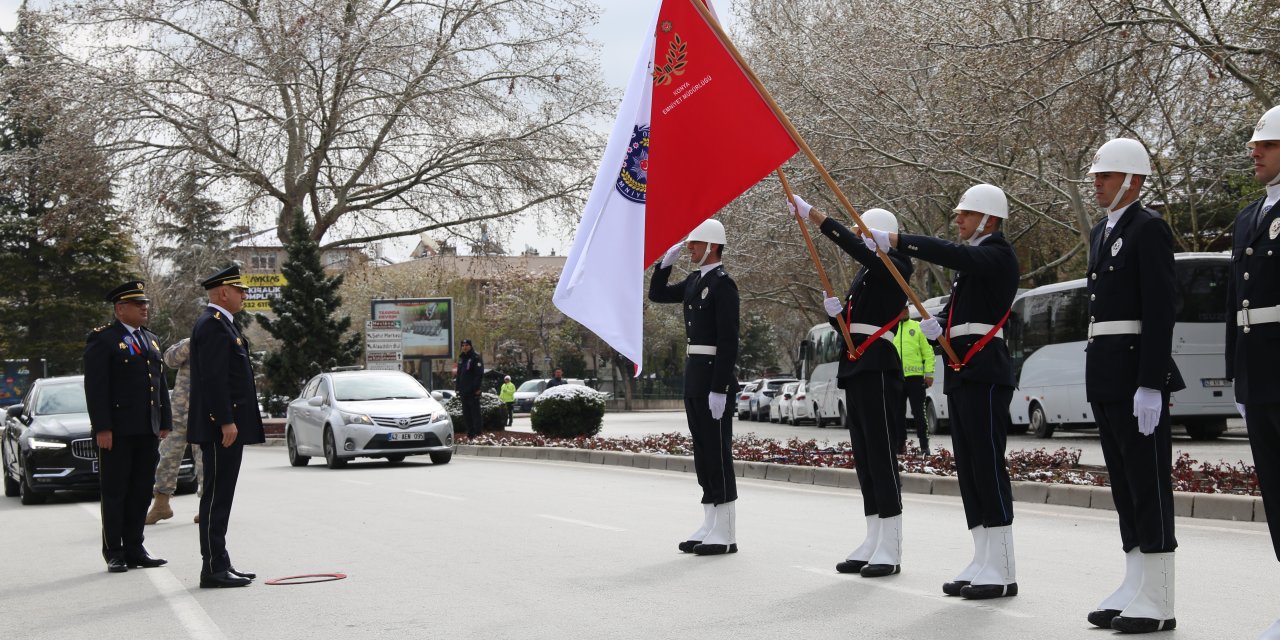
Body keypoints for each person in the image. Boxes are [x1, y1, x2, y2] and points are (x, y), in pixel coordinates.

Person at [864, 183, 1020, 599]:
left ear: (989, 218)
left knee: (987, 465)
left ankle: (1003, 567)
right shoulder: (970, 270)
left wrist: (897, 241)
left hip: (987, 372)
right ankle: (983, 555)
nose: (958, 220)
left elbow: (955, 253)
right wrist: (937, 332)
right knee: (969, 469)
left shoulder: (996, 254)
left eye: (966, 214)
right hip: (965, 371)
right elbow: (957, 317)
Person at [1080, 138, 1183, 633]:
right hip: (1106, 373)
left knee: (1148, 484)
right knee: (1124, 487)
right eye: (1097, 176)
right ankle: (1135, 581)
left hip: (1136, 374)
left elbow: (1161, 311)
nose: (1096, 183)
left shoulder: (1150, 230)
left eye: (1105, 175)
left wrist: (1151, 383)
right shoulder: (1102, 232)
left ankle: (1159, 597)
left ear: (1133, 181)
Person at [789, 197, 911, 578]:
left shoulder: (895, 263)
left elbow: (855, 247)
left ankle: (890, 544)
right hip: (858, 365)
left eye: (865, 235)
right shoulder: (866, 273)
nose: (860, 241)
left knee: (881, 455)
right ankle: (874, 536)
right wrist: (838, 314)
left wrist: (816, 216)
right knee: (865, 459)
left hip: (878, 365)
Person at [648, 218, 740, 556]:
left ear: (713, 247)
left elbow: (729, 340)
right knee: (702, 450)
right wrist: (664, 265)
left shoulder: (722, 284)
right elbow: (657, 294)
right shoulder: (693, 281)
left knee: (717, 450)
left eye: (694, 245)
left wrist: (720, 387)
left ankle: (726, 530)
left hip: (714, 374)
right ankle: (710, 520)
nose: (689, 250)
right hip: (695, 372)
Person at [1228, 105, 1280, 640]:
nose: (1256, 152)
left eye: (1267, 144)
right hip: (1259, 373)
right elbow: (1234, 305)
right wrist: (1234, 373)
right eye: (1255, 144)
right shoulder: (1248, 216)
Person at [83, 280, 172, 573]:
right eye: (138, 304)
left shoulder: (151, 339)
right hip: (118, 430)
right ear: (120, 309)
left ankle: (135, 546)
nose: (145, 308)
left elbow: (159, 386)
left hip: (147, 428)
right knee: (115, 490)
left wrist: (165, 421)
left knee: (141, 490)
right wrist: (102, 428)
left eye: (145, 303)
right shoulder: (103, 339)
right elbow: (96, 388)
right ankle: (114, 551)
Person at [188, 265, 264, 589]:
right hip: (221, 428)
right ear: (223, 292)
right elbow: (214, 379)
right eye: (239, 289)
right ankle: (212, 568)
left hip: (227, 426)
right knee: (216, 498)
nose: (244, 294)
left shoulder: (225, 325)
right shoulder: (212, 326)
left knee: (222, 497)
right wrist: (226, 421)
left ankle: (221, 562)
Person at [146, 338, 203, 525]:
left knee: (205, 461)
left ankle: (207, 505)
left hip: (205, 413)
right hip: (179, 413)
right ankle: (161, 505)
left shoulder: (221, 344)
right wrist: (192, 343)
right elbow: (169, 360)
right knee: (167, 456)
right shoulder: (190, 343)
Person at [894, 305, 935, 454]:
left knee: (919, 413)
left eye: (906, 308)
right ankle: (900, 445)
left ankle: (924, 445)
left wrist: (929, 374)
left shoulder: (917, 327)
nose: (904, 311)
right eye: (901, 308)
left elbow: (928, 352)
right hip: (897, 378)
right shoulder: (891, 330)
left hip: (916, 379)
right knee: (898, 413)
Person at [455, 339, 484, 437]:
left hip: (473, 391)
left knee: (475, 413)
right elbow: (459, 374)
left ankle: (477, 433)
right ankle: (470, 433)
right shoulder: (462, 358)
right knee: (466, 413)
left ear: (470, 346)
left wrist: (476, 388)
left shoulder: (475, 357)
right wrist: (458, 388)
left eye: (466, 345)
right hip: (464, 391)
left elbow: (479, 374)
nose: (464, 347)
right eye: (463, 345)